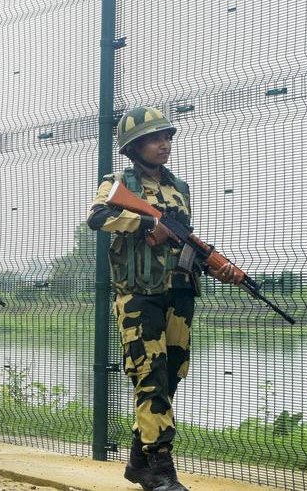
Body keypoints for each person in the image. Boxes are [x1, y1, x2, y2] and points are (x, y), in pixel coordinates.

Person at [87, 107, 236, 491]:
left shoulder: (179, 187)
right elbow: (98, 217)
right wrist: (147, 224)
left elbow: (183, 236)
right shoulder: (119, 182)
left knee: (172, 375)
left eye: (167, 137)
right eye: (155, 138)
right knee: (149, 375)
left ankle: (138, 458)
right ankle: (159, 469)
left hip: (179, 292)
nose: (164, 144)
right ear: (135, 146)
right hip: (139, 295)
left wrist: (213, 264)